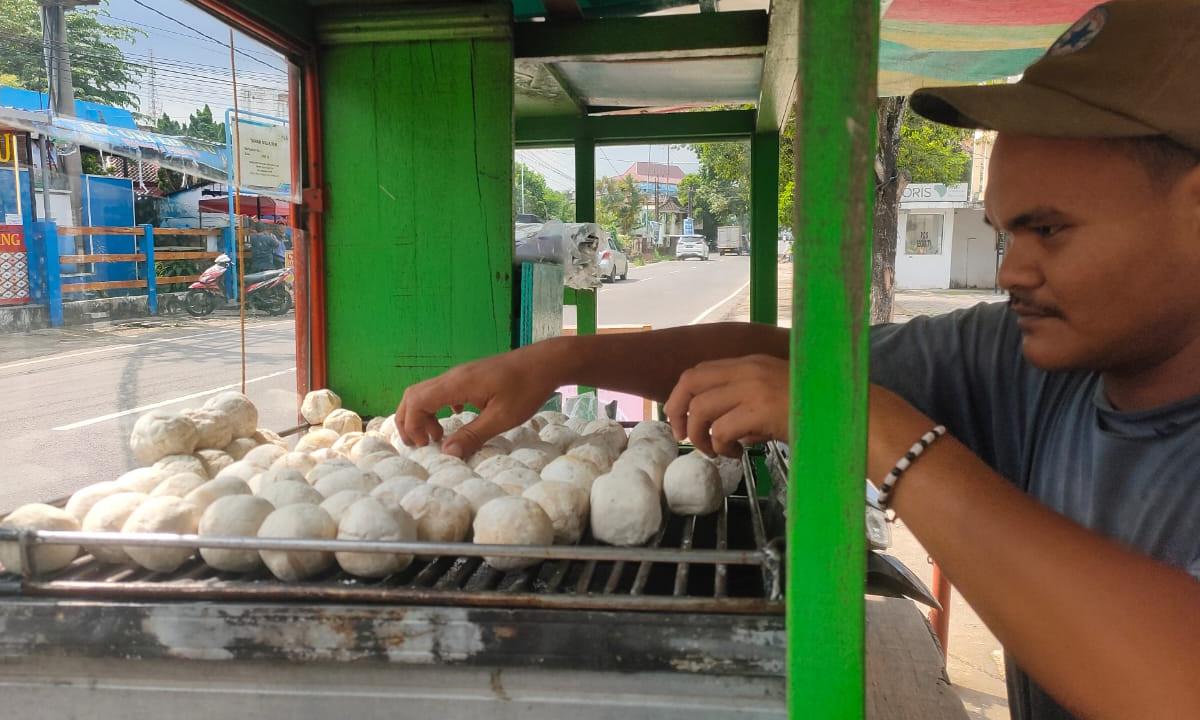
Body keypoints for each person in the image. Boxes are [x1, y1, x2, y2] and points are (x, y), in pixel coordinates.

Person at [395, 2, 1200, 718]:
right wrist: (562, 358)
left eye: (1049, 230)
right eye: (1003, 234)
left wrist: (876, 433)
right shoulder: (1033, 361)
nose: (1009, 271)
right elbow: (798, 360)